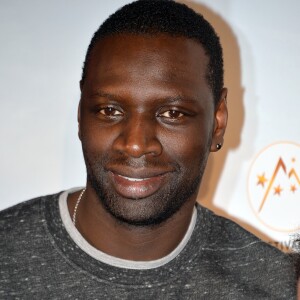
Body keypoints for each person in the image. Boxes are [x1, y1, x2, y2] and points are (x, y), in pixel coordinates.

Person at [0, 0, 297, 298]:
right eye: (109, 110)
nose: (135, 144)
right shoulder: (7, 258)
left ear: (217, 122)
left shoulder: (272, 285)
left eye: (172, 113)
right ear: (81, 114)